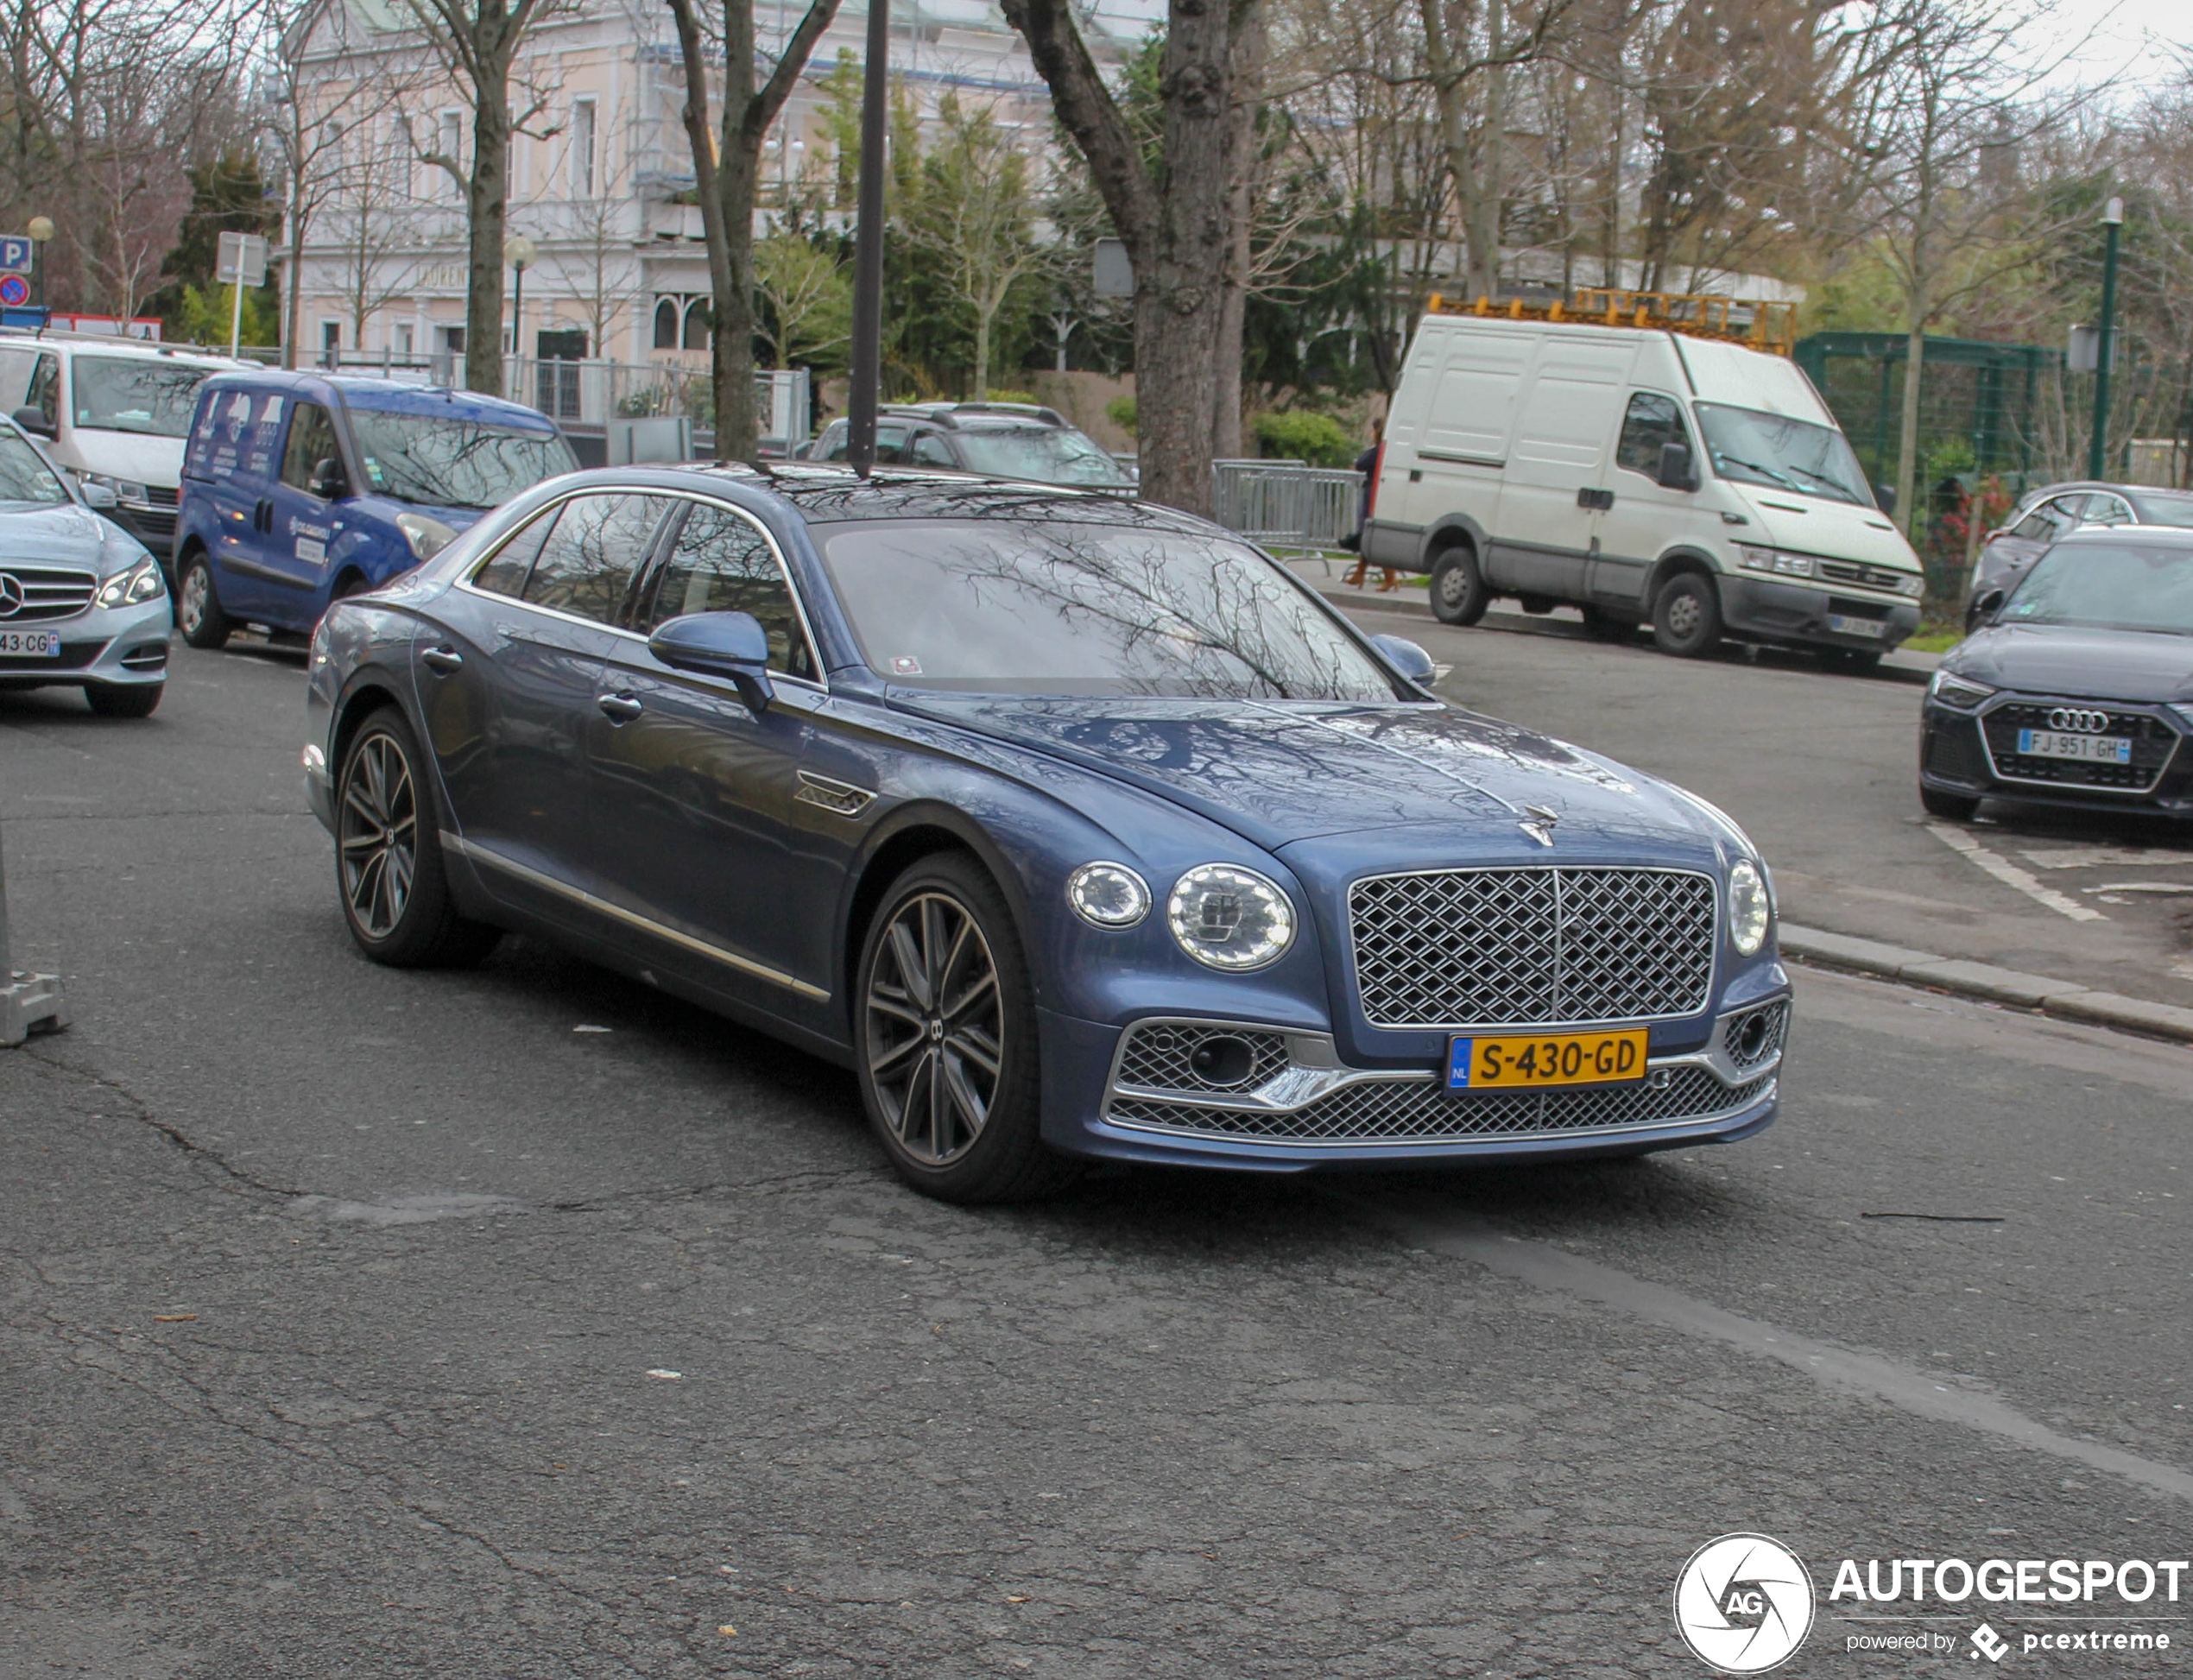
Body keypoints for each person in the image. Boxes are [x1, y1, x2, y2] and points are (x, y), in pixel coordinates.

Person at [1342, 420, 1398, 591]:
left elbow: (1361, 463)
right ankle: (1361, 574)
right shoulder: (1387, 450)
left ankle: (1390, 577)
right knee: (1368, 537)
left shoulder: (1379, 450)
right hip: (1377, 494)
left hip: (1373, 496)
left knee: (1371, 536)